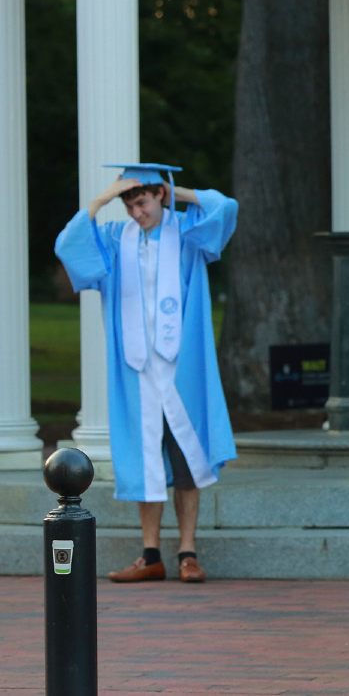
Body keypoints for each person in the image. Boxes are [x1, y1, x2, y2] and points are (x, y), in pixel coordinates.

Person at [54, 163, 238, 583]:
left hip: (182, 372)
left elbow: (225, 208)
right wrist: (102, 199)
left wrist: (181, 195)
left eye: (143, 202)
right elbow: (68, 244)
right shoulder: (116, 240)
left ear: (160, 195)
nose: (137, 213)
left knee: (187, 463)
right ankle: (150, 554)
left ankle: (188, 554)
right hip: (136, 373)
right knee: (144, 461)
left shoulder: (189, 234)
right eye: (130, 205)